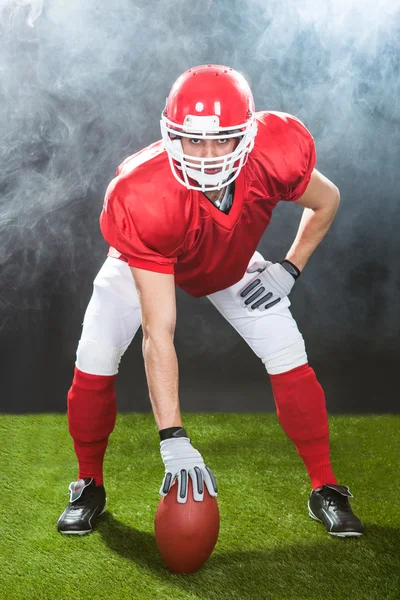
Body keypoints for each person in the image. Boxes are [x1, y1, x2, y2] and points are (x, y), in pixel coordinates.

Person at [57, 64, 364, 538]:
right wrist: (173, 438)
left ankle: (325, 486)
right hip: (147, 258)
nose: (208, 154)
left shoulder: (275, 152)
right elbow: (160, 332)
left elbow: (327, 200)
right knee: (95, 354)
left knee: (288, 352)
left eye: (222, 139)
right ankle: (89, 481)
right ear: (169, 135)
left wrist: (289, 267)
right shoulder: (143, 194)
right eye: (193, 140)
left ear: (248, 133)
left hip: (228, 259)